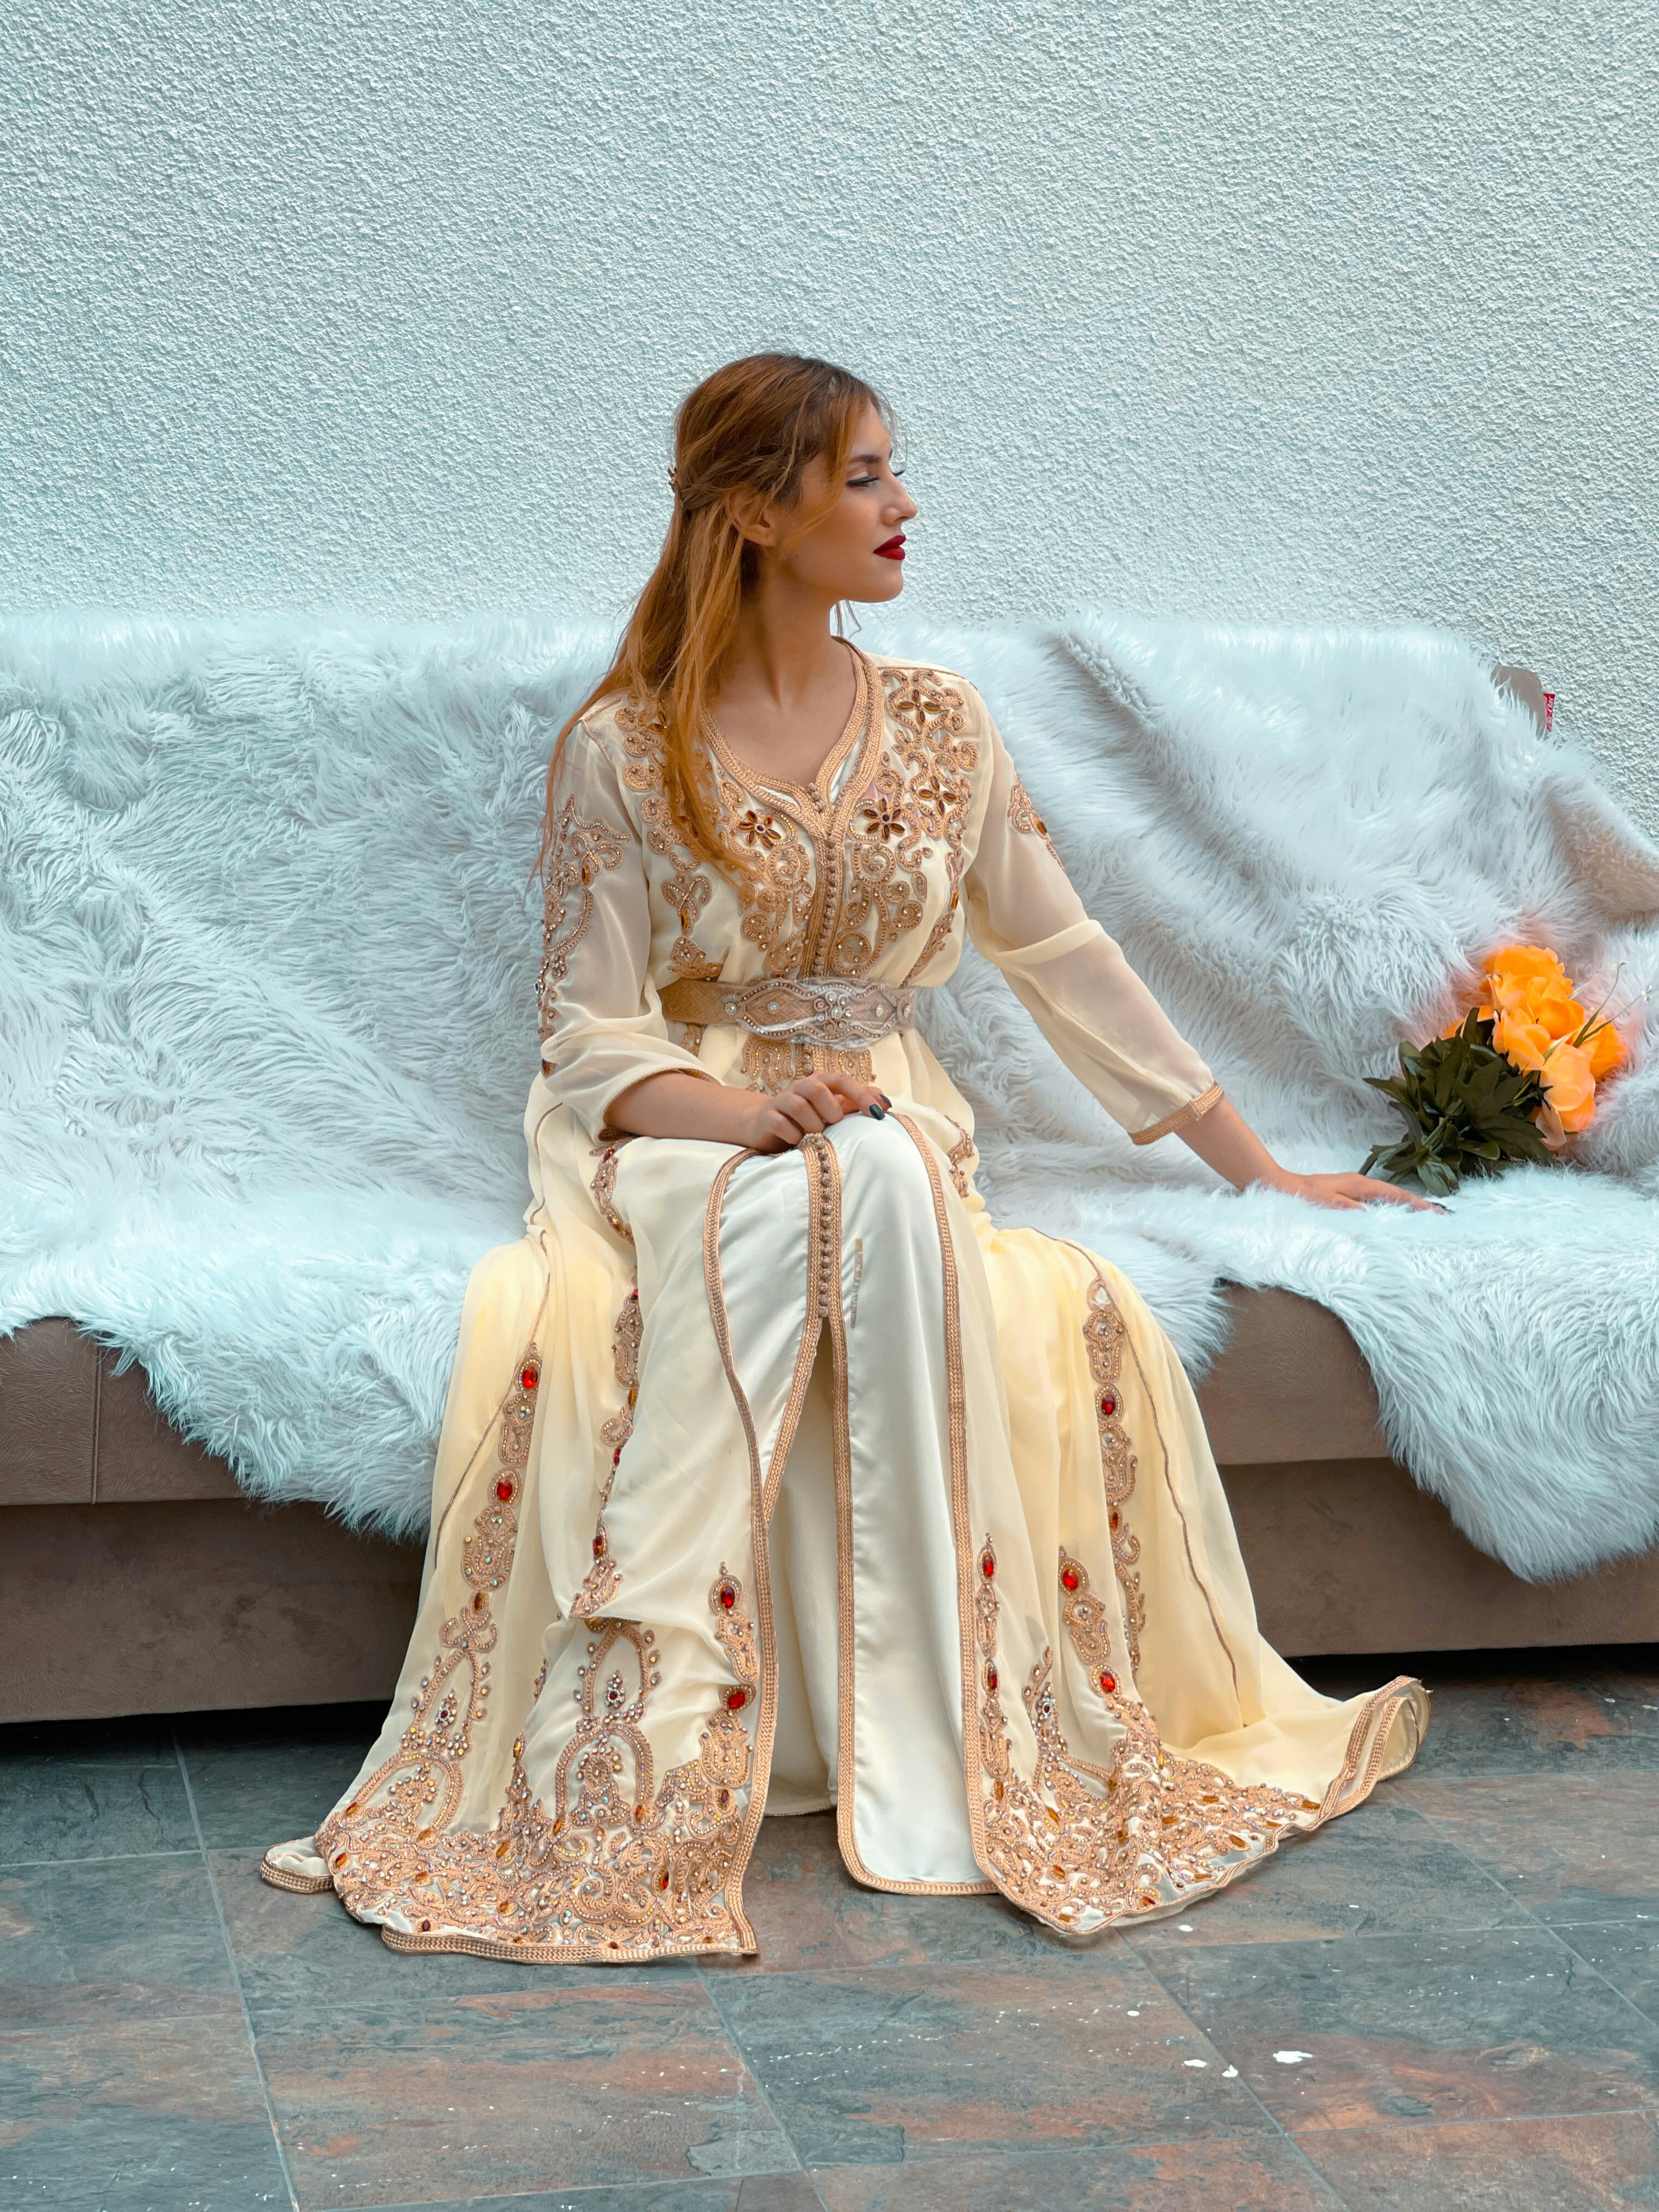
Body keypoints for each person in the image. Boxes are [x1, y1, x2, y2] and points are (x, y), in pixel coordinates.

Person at [262, 352, 1429, 1962]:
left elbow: (1065, 957)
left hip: (883, 1107)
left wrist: (1262, 1170)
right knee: (837, 1168)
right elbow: (592, 1041)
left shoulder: (943, 727)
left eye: (896, 470)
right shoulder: (623, 748)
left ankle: (941, 1752)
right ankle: (659, 1739)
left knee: (874, 1162)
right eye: (867, 476)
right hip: (680, 1127)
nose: (906, 506)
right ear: (754, 511)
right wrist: (743, 1116)